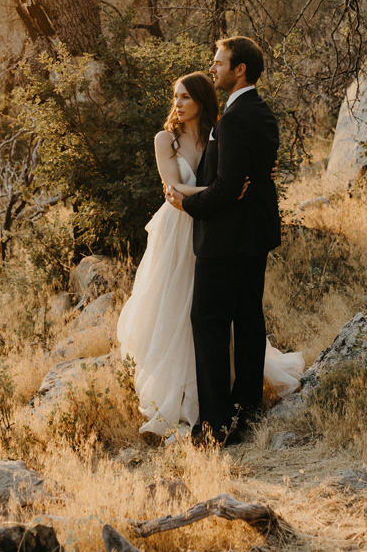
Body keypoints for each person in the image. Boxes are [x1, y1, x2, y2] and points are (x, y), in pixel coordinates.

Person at [115, 47, 303, 444]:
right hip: (244, 234)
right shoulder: (261, 112)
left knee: (210, 322)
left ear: (240, 69)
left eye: (220, 62)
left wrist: (193, 201)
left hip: (221, 235)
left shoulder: (229, 121)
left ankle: (215, 423)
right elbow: (244, 175)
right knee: (246, 321)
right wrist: (233, 187)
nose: (214, 67)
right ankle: (244, 413)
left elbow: (231, 185)